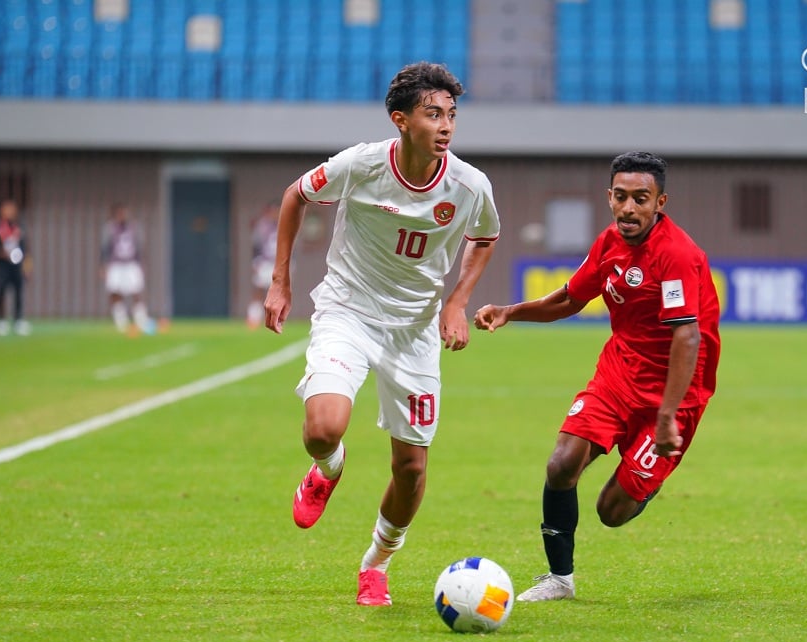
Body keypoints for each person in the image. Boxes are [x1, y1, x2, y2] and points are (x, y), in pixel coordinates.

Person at [264, 62, 500, 606]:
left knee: (411, 467)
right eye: (432, 114)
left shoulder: (469, 185)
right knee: (324, 428)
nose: (446, 126)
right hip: (348, 309)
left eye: (452, 115)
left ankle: (376, 564)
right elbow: (294, 196)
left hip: (413, 330)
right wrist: (281, 282)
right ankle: (329, 467)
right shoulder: (362, 165)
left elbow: (485, 236)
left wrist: (456, 303)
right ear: (400, 119)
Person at [474, 152, 721, 602]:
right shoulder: (609, 242)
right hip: (618, 374)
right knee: (561, 463)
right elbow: (571, 298)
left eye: (640, 199)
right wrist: (512, 311)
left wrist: (667, 419)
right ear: (609, 197)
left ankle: (647, 471)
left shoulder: (677, 255)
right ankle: (559, 580)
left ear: (659, 202)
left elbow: (688, 338)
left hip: (674, 396)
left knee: (612, 511)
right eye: (621, 197)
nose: (629, 208)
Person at [100, 203, 151, 335]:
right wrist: (103, 266)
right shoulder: (109, 228)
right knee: (114, 291)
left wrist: (141, 263)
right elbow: (105, 248)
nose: (123, 216)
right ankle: (120, 320)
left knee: (136, 290)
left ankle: (141, 319)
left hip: (131, 263)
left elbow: (139, 246)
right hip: (115, 264)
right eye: (120, 213)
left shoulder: (134, 227)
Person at [0, 199, 31, 336]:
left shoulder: (19, 227)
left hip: (17, 266)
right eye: (7, 209)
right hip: (2, 265)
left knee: (18, 291)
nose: (10, 212)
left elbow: (25, 248)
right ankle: (0, 320)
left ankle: (18, 320)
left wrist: (27, 265)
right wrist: (1, 253)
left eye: (12, 209)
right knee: (1, 290)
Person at [246, 201, 280, 329]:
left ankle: (277, 319)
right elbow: (256, 246)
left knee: (278, 292)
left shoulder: (283, 224)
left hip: (279, 263)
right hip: (264, 262)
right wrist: (256, 262)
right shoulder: (262, 226)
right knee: (258, 291)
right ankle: (253, 317)